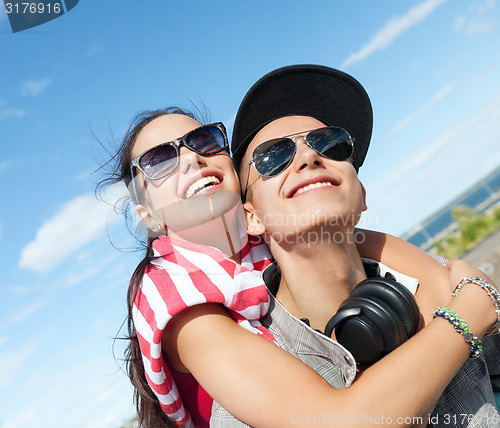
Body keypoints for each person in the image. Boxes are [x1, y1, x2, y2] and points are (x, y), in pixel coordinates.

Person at [100, 68, 499, 427]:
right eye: (158, 160)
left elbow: (366, 244)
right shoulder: (172, 298)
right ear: (148, 216)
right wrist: (466, 314)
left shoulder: (270, 234)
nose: (190, 158)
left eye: (203, 140)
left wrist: (456, 290)